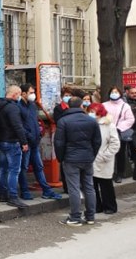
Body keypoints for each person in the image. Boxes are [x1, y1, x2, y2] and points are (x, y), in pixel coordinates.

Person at [55, 97, 101, 226]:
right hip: (87, 157)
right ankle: (90, 216)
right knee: (89, 186)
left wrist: (61, 158)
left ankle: (75, 217)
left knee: (74, 188)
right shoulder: (91, 121)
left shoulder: (63, 121)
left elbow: (59, 143)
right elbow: (97, 141)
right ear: (81, 106)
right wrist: (92, 154)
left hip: (71, 158)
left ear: (68, 106)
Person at [18, 84, 63, 200]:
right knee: (23, 167)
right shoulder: (19, 106)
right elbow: (20, 125)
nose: (33, 95)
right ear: (23, 93)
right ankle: (24, 191)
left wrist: (37, 133)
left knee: (39, 166)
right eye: (31, 92)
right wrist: (28, 136)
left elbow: (34, 121)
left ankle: (46, 190)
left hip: (35, 142)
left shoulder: (32, 105)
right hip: (27, 142)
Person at [0, 85, 29, 208]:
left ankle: (3, 194)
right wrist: (24, 142)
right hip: (12, 141)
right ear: (15, 94)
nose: (19, 97)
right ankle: (13, 196)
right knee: (14, 170)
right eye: (18, 94)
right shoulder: (13, 108)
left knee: (2, 168)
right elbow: (17, 126)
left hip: (0, 140)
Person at [90, 102, 121, 214]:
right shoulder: (89, 124)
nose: (91, 114)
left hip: (104, 160)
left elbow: (115, 143)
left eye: (93, 112)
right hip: (92, 159)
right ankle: (97, 206)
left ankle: (110, 206)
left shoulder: (109, 125)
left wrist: (105, 155)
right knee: (92, 185)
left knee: (105, 184)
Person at [102, 86, 135, 184]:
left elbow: (130, 119)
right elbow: (99, 116)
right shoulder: (104, 105)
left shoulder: (125, 106)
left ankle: (119, 173)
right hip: (106, 132)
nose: (114, 93)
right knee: (106, 153)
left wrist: (119, 128)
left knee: (120, 154)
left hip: (119, 132)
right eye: (112, 92)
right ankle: (108, 173)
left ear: (120, 94)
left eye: (116, 92)